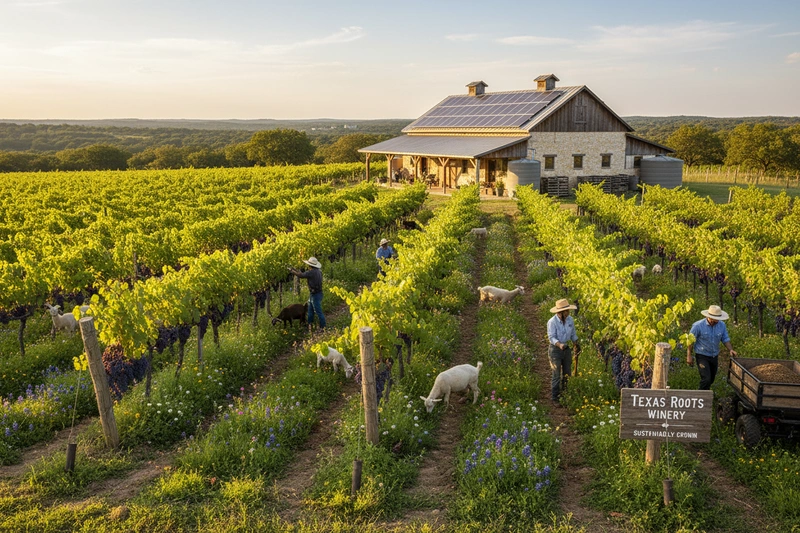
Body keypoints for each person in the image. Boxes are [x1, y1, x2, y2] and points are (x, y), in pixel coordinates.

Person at [687, 305, 737, 390]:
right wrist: (689, 356)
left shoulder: (722, 325)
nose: (715, 322)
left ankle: (705, 396)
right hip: (702, 355)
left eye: (716, 320)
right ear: (708, 316)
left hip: (714, 356)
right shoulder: (698, 326)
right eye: (713, 320)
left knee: (711, 379)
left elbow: (725, 339)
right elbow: (690, 342)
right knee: (706, 379)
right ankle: (701, 398)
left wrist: (730, 349)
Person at [547, 298, 580, 403]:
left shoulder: (570, 320)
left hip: (566, 349)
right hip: (555, 350)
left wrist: (576, 344)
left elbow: (573, 334)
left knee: (567, 373)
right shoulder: (552, 322)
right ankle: (555, 397)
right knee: (556, 374)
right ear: (560, 312)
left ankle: (564, 394)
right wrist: (559, 344)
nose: (568, 312)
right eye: (566, 311)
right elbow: (551, 337)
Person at [289, 257, 326, 330]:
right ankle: (309, 326)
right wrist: (295, 271)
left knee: (318, 311)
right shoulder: (318, 271)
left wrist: (292, 271)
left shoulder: (311, 272)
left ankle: (323, 327)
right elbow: (302, 274)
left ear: (310, 265)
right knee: (310, 310)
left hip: (315, 294)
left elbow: (301, 275)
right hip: (317, 293)